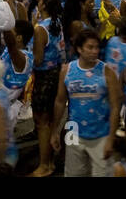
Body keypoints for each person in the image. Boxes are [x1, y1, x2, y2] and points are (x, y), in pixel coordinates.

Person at [52, 27, 122, 177]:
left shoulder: (107, 72)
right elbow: (59, 101)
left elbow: (116, 106)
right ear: (79, 49)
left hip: (101, 134)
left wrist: (111, 137)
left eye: (97, 47)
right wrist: (54, 132)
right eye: (90, 47)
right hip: (74, 132)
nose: (95, 51)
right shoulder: (67, 70)